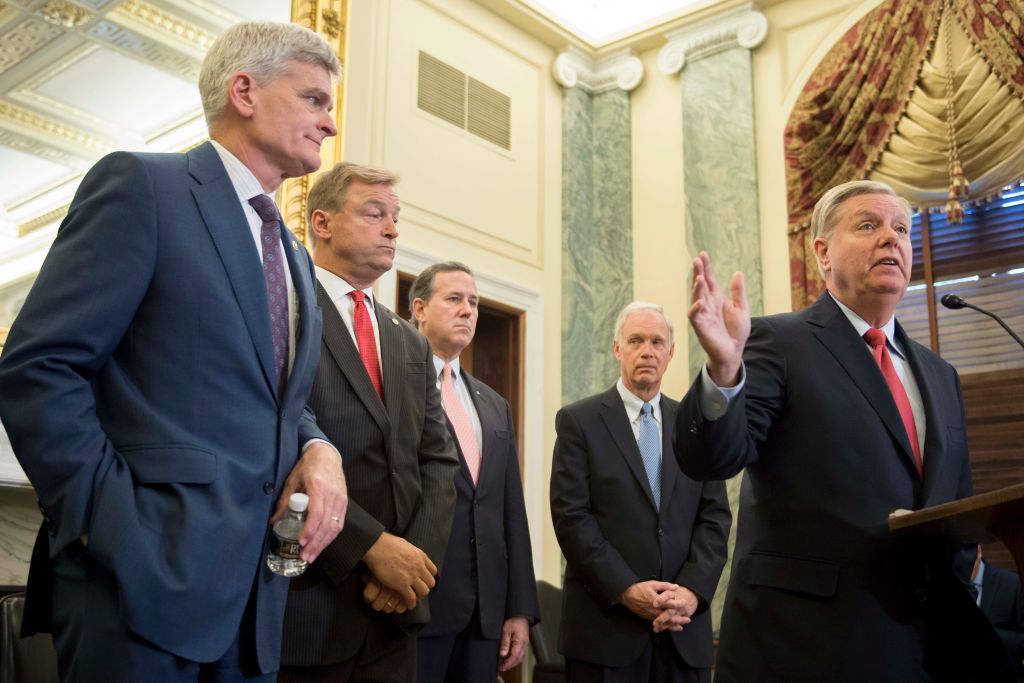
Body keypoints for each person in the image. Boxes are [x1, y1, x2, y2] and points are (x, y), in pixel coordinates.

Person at [0, 21, 348, 681]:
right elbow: (38, 368)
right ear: (244, 91)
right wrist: (111, 527)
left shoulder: (296, 257)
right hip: (136, 595)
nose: (330, 123)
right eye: (314, 99)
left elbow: (276, 397)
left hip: (254, 609)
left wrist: (318, 446)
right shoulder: (142, 187)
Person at [679, 179, 992, 680]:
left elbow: (954, 507)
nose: (891, 239)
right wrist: (723, 373)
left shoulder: (941, 374)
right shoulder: (777, 341)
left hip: (921, 652)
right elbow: (714, 457)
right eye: (868, 225)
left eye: (901, 229)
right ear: (822, 253)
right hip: (805, 647)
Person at [278, 163, 460, 682]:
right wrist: (370, 548)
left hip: (395, 612)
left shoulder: (409, 341)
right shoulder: (284, 310)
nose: (393, 229)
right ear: (322, 222)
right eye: (374, 213)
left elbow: (438, 460)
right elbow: (282, 438)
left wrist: (410, 564)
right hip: (310, 599)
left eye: (395, 217)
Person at [551, 301, 731, 683]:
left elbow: (714, 517)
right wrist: (626, 588)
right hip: (606, 631)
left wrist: (692, 593)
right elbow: (572, 518)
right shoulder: (579, 422)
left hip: (682, 631)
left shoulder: (697, 424)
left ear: (670, 354)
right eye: (635, 340)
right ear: (618, 348)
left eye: (656, 341)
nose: (646, 350)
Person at [409, 262, 540, 682]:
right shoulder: (398, 385)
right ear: (420, 308)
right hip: (417, 602)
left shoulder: (493, 402)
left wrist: (518, 608)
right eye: (454, 299)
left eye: (474, 302)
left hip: (485, 615)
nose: (468, 310)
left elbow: (509, 510)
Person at [955, 545, 1024, 679]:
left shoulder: (1011, 584)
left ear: (979, 552)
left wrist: (990, 636)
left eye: (968, 566)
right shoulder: (949, 587)